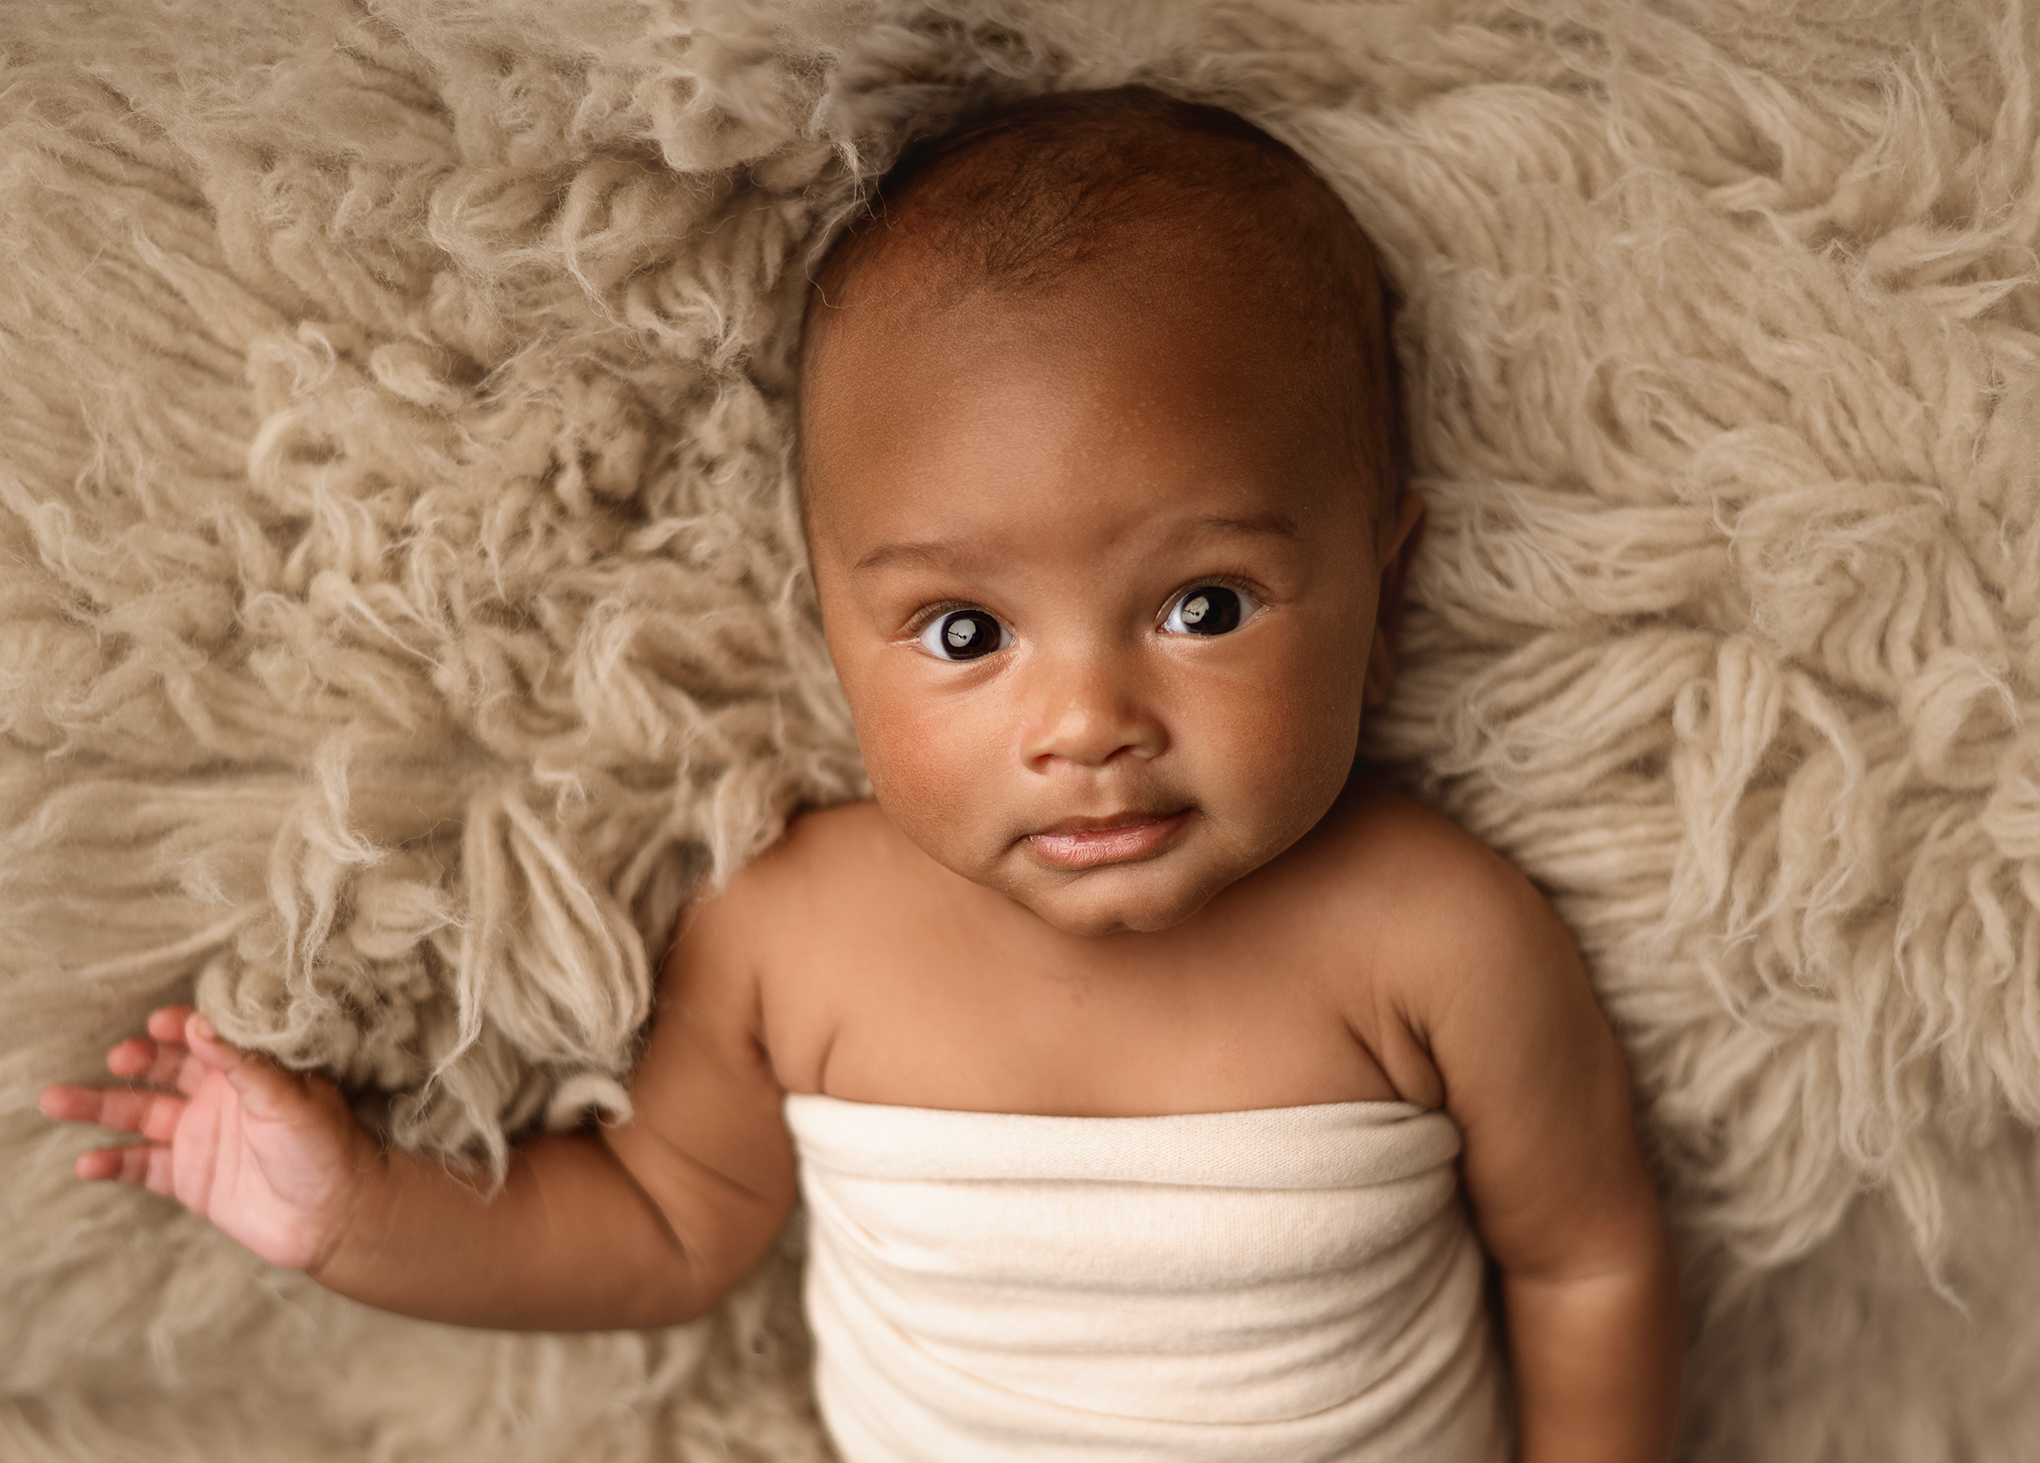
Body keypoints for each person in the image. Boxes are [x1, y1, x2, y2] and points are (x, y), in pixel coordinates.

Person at [40, 87, 1677, 1462]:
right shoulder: (798, 937)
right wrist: (352, 1216)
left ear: (1382, 588)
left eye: (1203, 607)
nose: (1088, 719)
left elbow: (1587, 1257)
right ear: (832, 626)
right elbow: (656, 1227)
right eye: (967, 630)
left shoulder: (1435, 935)